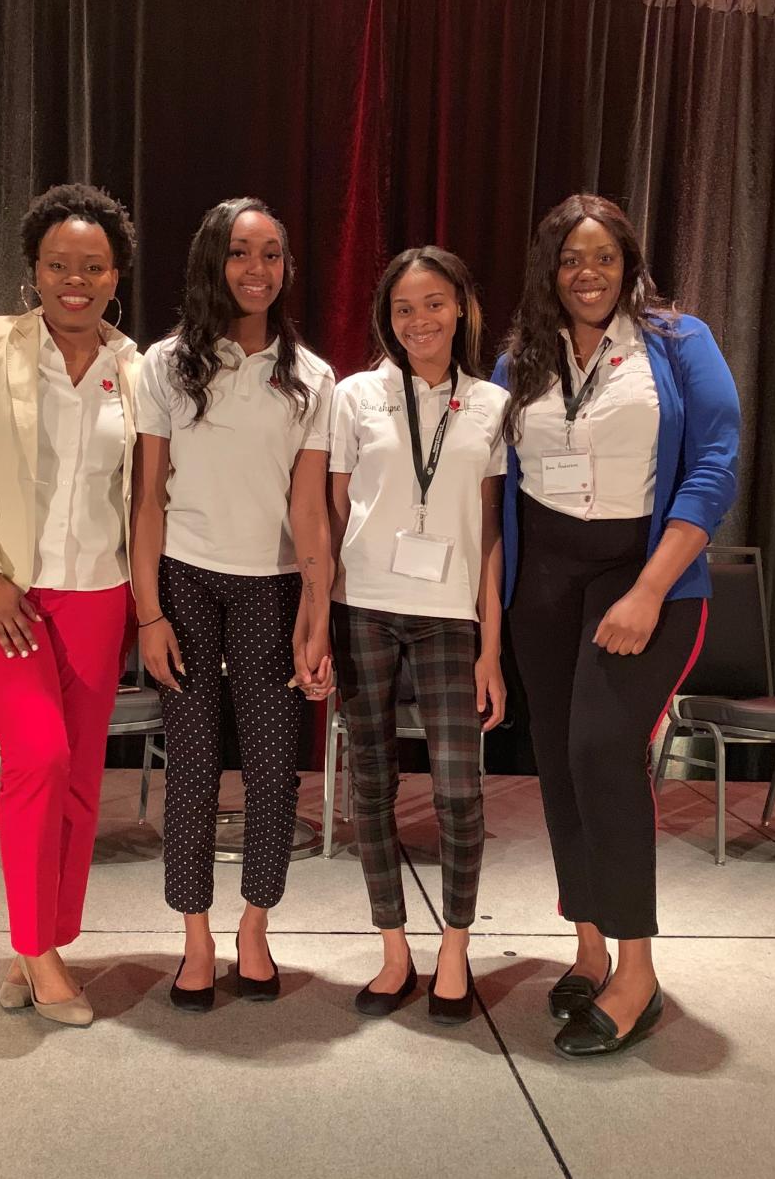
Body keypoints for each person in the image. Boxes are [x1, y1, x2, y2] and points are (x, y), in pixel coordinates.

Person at [492, 193, 739, 1057]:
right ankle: (589, 946)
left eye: (601, 256)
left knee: (603, 748)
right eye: (568, 259)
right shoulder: (520, 356)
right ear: (548, 271)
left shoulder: (679, 341)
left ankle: (638, 971)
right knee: (559, 762)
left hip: (647, 574)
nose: (585, 273)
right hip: (545, 583)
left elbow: (714, 463)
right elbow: (491, 478)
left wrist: (646, 588)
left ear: (628, 262)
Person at [0, 183, 141, 1027]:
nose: (74, 280)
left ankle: (39, 940)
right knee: (38, 756)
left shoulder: (136, 365)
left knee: (81, 779)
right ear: (34, 270)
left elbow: (145, 492)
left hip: (97, 592)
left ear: (116, 274)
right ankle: (41, 954)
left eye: (93, 266)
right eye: (58, 265)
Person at [131, 196, 334, 1012]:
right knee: (190, 765)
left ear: (287, 268)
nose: (258, 270)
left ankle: (255, 926)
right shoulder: (166, 363)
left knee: (274, 767)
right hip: (184, 578)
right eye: (243, 253)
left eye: (273, 254)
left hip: (274, 583)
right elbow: (146, 501)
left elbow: (311, 507)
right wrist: (148, 614)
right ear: (214, 260)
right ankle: (195, 936)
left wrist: (315, 617)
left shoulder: (310, 375)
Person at [329, 246, 508, 1024]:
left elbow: (494, 535)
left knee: (459, 791)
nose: (419, 320)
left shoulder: (495, 404)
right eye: (404, 308)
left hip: (450, 613)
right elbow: (336, 508)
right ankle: (394, 946)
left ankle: (457, 948)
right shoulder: (354, 396)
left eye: (434, 303)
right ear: (387, 317)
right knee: (372, 786)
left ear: (461, 308)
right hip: (363, 602)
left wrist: (491, 650)